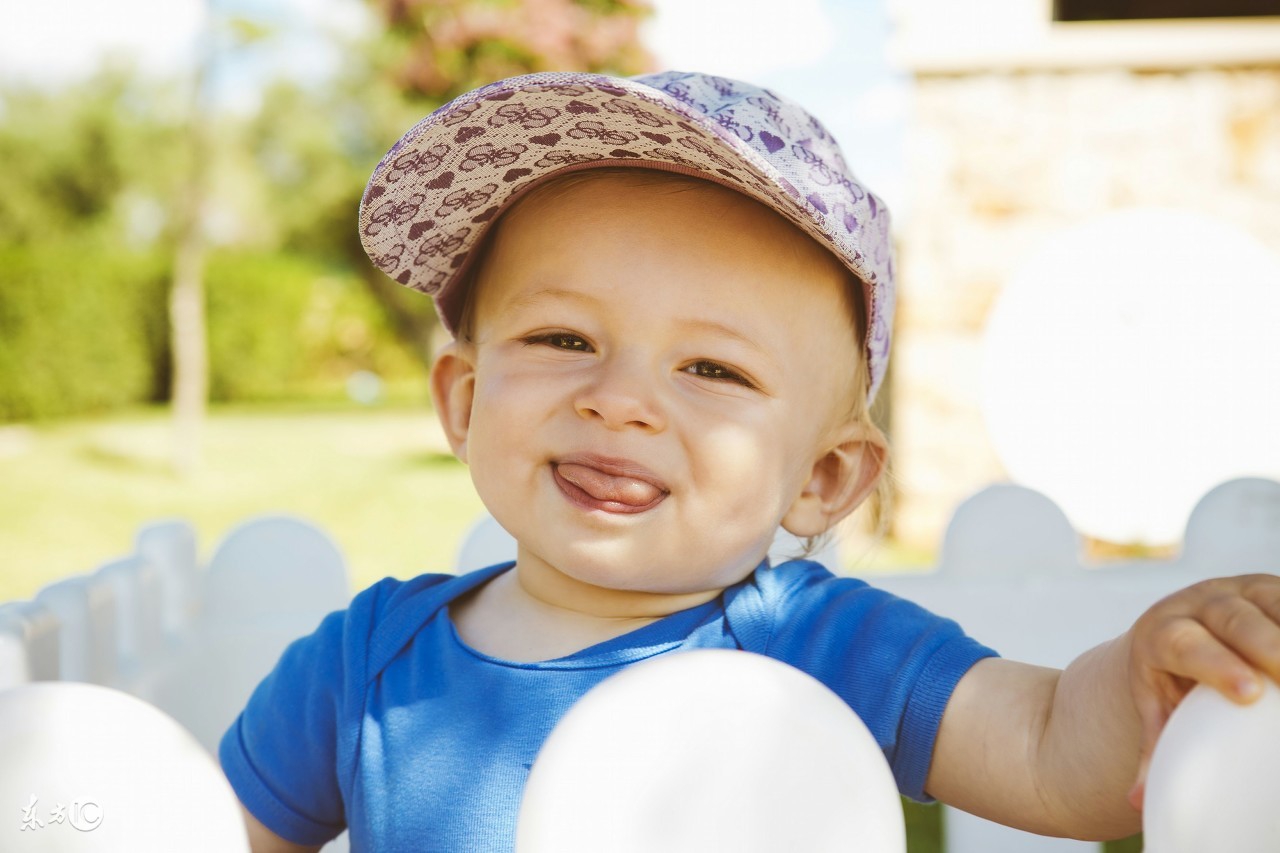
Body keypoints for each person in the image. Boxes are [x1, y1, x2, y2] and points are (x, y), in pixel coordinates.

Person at [219, 70, 1280, 852]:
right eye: (563, 338)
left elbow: (1049, 751)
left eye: (711, 368)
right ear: (461, 397)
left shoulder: (817, 644)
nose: (618, 399)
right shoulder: (362, 665)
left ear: (823, 478)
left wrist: (1137, 675)